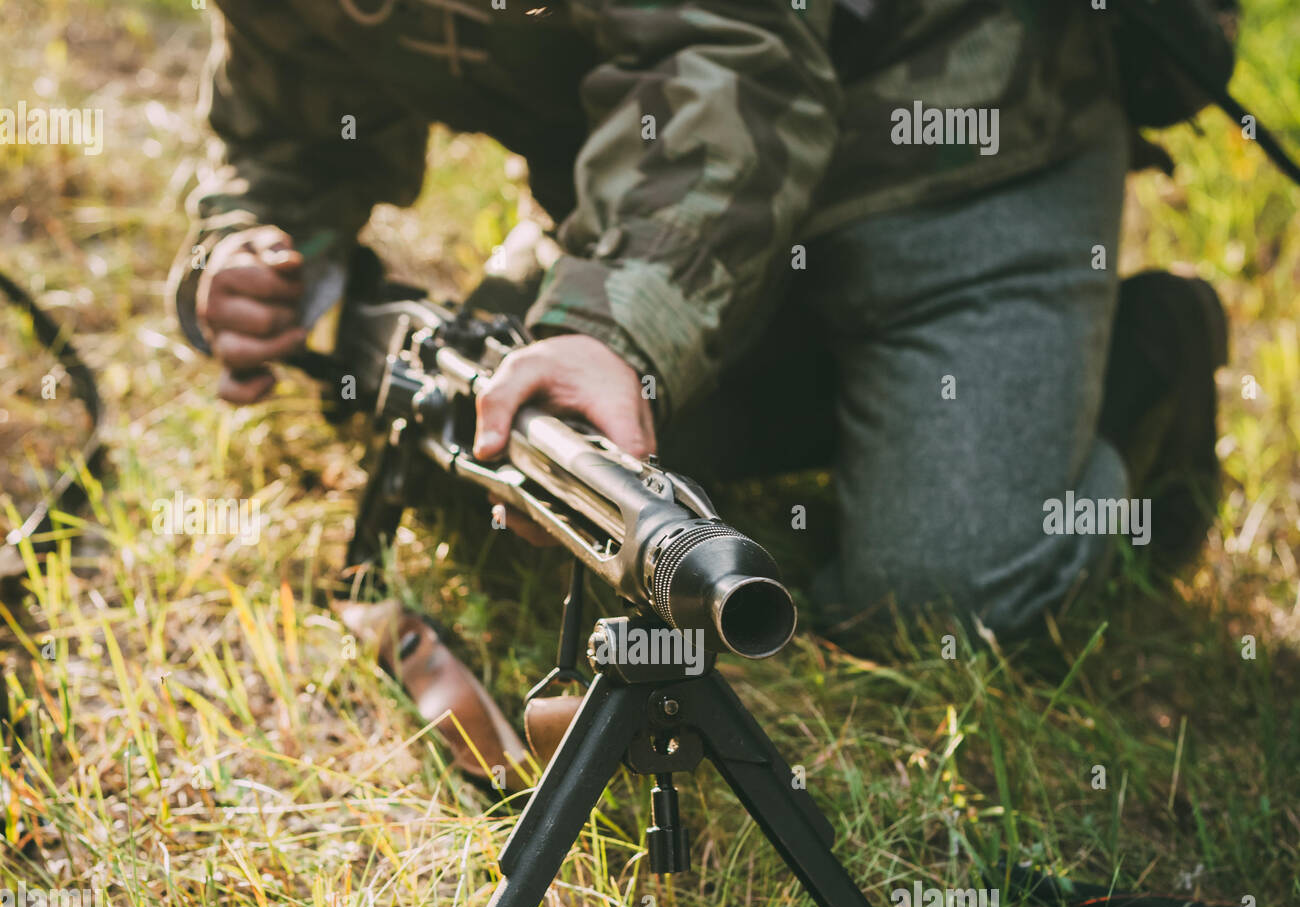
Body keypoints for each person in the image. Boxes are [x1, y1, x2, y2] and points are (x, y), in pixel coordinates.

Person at [170, 0, 1227, 639]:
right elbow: (288, 118)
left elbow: (734, 57)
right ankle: (829, 384)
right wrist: (253, 242)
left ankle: (1143, 369)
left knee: (936, 599)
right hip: (676, 201)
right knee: (500, 467)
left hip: (952, 182)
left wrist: (617, 330)